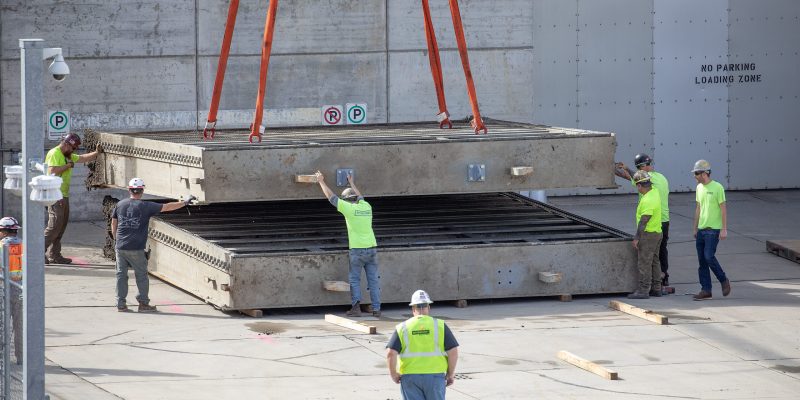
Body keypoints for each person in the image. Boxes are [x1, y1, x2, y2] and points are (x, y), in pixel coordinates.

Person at [111, 178, 195, 312]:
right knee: (142, 276)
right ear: (142, 191)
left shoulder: (120, 204)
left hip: (120, 246)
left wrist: (116, 240)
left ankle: (120, 304)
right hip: (136, 248)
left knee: (121, 275)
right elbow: (168, 207)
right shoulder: (146, 206)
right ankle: (143, 304)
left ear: (129, 190)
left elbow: (113, 223)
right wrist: (185, 202)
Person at [314, 171, 380, 317]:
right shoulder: (366, 206)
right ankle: (376, 309)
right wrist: (351, 183)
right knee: (373, 280)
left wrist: (321, 181)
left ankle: (356, 308)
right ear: (356, 199)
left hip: (357, 250)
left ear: (347, 200)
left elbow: (331, 198)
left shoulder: (349, 209)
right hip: (372, 249)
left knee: (355, 279)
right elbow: (360, 195)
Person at [386, 290, 459, 400]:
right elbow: (453, 351)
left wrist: (393, 374)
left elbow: (391, 354)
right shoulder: (440, 325)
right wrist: (450, 374)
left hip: (410, 377)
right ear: (428, 308)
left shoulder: (402, 327)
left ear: (413, 309)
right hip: (435, 377)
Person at [45, 133, 102, 264]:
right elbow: (52, 171)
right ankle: (38, 252)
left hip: (63, 195)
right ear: (66, 144)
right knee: (53, 227)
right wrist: (68, 166)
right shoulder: (55, 153)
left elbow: (82, 158)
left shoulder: (67, 155)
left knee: (60, 227)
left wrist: (96, 153)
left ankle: (55, 255)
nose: (74, 150)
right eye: (73, 148)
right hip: (55, 195)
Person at [615, 153, 671, 286]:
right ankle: (663, 277)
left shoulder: (650, 180)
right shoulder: (661, 177)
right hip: (664, 219)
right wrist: (616, 171)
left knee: (649, 254)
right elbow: (631, 178)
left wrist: (627, 168)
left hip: (653, 219)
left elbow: (635, 176)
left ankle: (651, 282)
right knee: (661, 249)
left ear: (642, 167)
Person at [691, 160, 731, 301]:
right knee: (702, 261)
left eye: (696, 173)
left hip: (713, 230)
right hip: (702, 229)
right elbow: (698, 208)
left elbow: (723, 209)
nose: (694, 176)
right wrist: (695, 227)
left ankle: (723, 279)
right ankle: (706, 290)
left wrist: (724, 229)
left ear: (705, 173)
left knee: (709, 256)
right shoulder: (699, 188)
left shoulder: (717, 187)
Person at [627, 171, 663, 299]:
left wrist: (637, 238)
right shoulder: (655, 192)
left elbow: (644, 221)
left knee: (644, 263)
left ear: (639, 186)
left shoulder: (647, 200)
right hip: (658, 232)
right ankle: (657, 288)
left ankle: (643, 290)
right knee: (654, 261)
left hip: (648, 235)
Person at [0, 217, 23, 364]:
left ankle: (2, 358)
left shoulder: (1, 245)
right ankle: (21, 358)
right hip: (20, 289)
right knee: (19, 326)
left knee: (3, 326)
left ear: (3, 231)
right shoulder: (23, 244)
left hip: (4, 288)